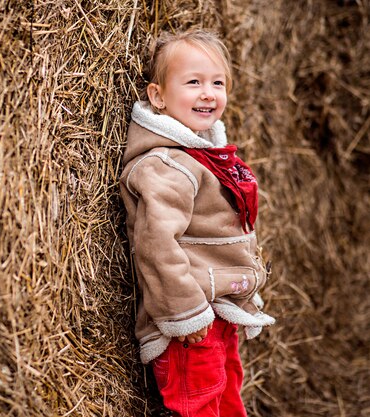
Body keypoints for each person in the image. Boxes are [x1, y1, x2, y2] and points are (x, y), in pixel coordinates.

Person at [119, 29, 275, 417]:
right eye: (193, 83)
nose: (208, 93)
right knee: (201, 402)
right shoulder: (168, 165)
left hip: (219, 309)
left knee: (228, 396)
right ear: (157, 97)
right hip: (188, 321)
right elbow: (157, 245)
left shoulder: (204, 159)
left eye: (217, 83)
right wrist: (185, 312)